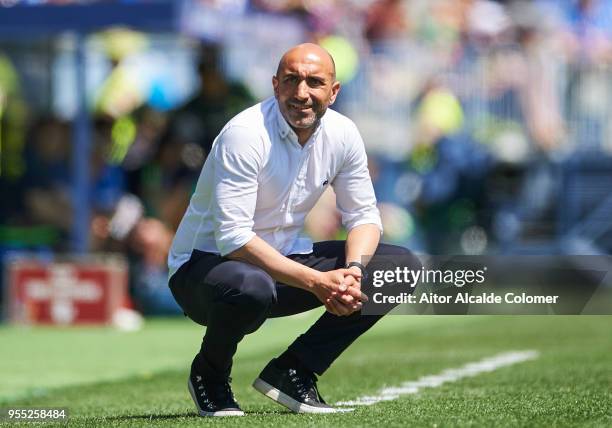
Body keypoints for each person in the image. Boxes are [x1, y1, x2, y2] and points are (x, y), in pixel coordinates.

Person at [168, 43, 419, 417]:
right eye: (292, 80)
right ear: (275, 86)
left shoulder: (343, 134)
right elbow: (234, 239)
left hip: (278, 261)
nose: (301, 93)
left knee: (398, 266)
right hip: (203, 268)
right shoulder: (244, 134)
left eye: (314, 82)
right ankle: (210, 373)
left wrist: (352, 273)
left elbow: (365, 216)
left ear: (333, 92)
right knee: (252, 286)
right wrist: (318, 282)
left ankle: (294, 371)